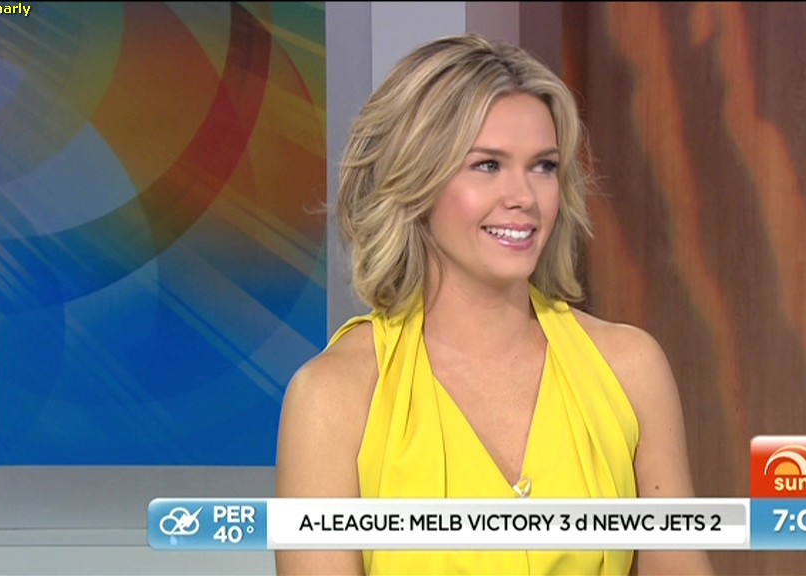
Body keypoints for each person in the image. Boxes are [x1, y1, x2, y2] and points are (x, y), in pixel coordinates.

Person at [275, 33, 713, 576]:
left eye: (544, 166)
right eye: (487, 165)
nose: (524, 198)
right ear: (416, 181)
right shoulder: (333, 398)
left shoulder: (630, 369)